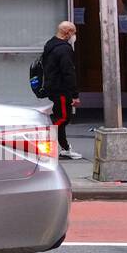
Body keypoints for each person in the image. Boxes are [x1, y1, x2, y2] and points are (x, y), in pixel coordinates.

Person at [42, 21, 83, 160]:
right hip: (61, 90)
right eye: (74, 32)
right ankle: (46, 137)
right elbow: (68, 72)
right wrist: (75, 94)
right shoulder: (64, 49)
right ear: (68, 33)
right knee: (63, 118)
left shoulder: (50, 44)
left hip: (53, 87)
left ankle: (65, 147)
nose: (75, 36)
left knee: (60, 117)